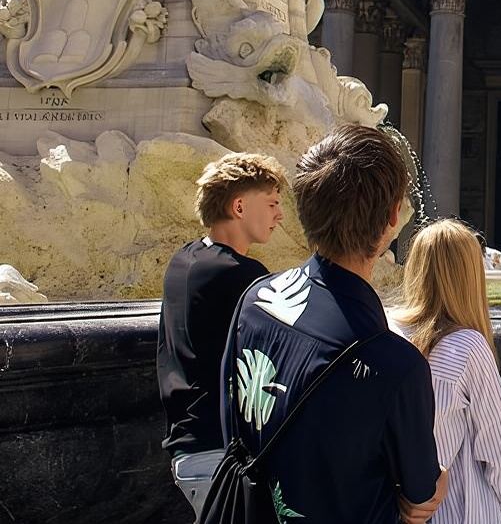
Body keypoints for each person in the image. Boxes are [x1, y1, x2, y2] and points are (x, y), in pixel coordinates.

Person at [223, 124, 447, 523]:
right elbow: (421, 494)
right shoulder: (396, 364)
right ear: (392, 218)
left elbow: (236, 432)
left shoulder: (255, 299)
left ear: (304, 209)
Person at [156, 152, 286, 517]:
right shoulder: (242, 276)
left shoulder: (184, 259)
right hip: (223, 457)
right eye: (273, 203)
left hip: (189, 450)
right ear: (240, 206)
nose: (280, 215)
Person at [389, 219, 501, 524]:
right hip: (454, 512)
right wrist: (499, 515)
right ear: (471, 276)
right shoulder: (466, 346)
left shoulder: (385, 327)